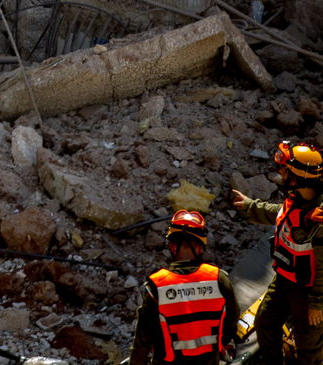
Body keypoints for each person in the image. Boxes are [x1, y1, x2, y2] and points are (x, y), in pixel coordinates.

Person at [231, 139, 323, 365]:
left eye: (284, 170)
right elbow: (281, 213)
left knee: (308, 346)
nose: (280, 174)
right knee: (265, 323)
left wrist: (317, 304)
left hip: (307, 291)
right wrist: (250, 206)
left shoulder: (318, 219)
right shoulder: (296, 200)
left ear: (299, 177)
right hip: (284, 279)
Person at [127, 210, 237, 364]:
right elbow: (231, 324)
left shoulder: (156, 286)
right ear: (200, 247)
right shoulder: (219, 279)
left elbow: (143, 340)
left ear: (171, 246)